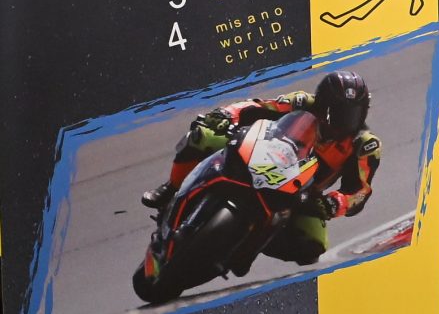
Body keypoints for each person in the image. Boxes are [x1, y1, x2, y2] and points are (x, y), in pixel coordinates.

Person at [138, 71, 380, 269]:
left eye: (351, 114)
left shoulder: (364, 145)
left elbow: (360, 191)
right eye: (336, 111)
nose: (342, 121)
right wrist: (226, 115)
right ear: (322, 102)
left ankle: (246, 242)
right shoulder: (301, 102)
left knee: (312, 247)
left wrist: (335, 203)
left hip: (302, 194)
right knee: (203, 135)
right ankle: (171, 188)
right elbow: (255, 106)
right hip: (260, 156)